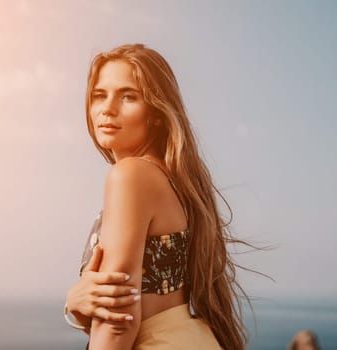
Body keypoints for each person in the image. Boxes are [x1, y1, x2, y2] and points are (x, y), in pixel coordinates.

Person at [64, 43, 247, 349]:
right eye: (99, 95)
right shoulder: (175, 181)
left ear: (157, 114)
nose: (108, 108)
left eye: (128, 96)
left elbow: (119, 318)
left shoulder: (130, 176)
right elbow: (145, 296)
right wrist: (76, 303)